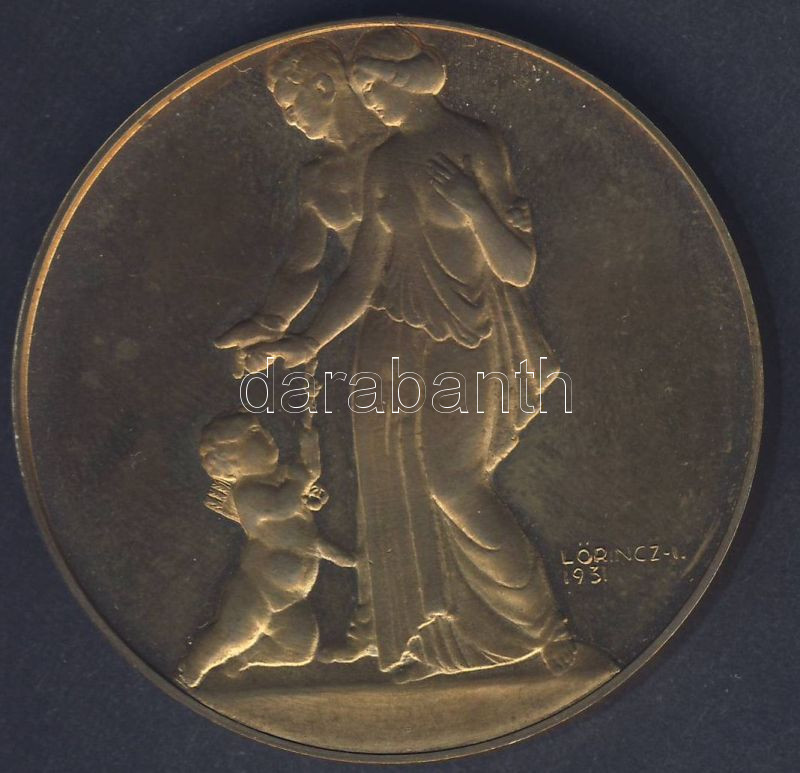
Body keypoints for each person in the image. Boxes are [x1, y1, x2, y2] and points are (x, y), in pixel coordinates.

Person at [240, 26, 577, 683]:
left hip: (465, 332)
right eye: (361, 88)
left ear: (410, 76)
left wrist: (474, 207)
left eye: (375, 85)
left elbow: (518, 268)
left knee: (454, 482)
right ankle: (416, 636)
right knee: (388, 485)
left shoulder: (476, 144)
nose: (369, 99)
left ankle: (546, 629)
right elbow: (363, 275)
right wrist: (304, 340)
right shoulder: (383, 164)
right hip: (391, 337)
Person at [177, 413, 354, 688]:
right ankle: (192, 670)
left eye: (262, 430)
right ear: (233, 461)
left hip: (292, 598)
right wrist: (300, 484)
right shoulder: (247, 492)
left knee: (301, 650)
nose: (268, 436)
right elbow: (281, 505)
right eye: (254, 435)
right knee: (232, 636)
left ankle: (249, 658)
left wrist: (310, 439)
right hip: (257, 593)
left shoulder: (280, 476)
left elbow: (307, 526)